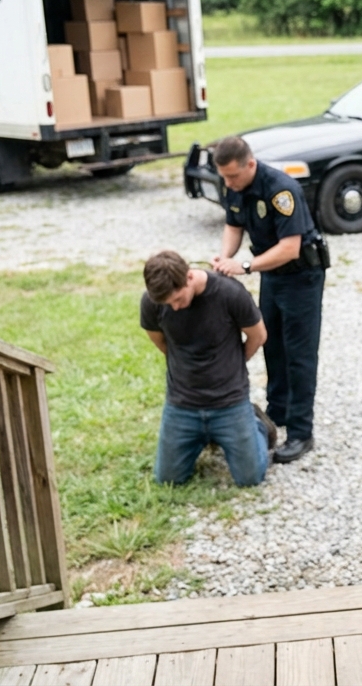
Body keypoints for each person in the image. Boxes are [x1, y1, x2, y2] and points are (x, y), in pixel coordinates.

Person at [210, 136, 326, 464]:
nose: (228, 183)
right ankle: (279, 414)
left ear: (250, 163)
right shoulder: (234, 185)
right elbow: (234, 224)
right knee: (272, 344)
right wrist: (224, 259)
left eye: (233, 176)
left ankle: (302, 433)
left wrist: (244, 266)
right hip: (271, 274)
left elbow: (290, 247)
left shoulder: (280, 189)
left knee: (299, 353)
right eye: (224, 177)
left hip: (301, 276)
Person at [140, 250, 270, 486]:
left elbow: (258, 335)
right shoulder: (152, 301)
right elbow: (159, 339)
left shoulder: (230, 293)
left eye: (178, 299)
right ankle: (200, 437)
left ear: (189, 277)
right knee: (167, 479)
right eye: (169, 303)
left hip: (229, 400)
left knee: (250, 478)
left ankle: (256, 425)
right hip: (183, 403)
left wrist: (234, 363)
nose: (175, 307)